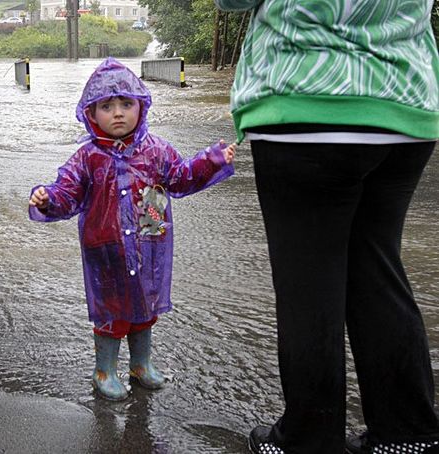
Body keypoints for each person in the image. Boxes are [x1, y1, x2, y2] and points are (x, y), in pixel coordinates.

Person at [213, 0, 439, 453]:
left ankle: (308, 440)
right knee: (378, 273)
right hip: (405, 105)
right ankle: (408, 432)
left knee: (308, 288)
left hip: (305, 103)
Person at [28, 57, 235, 401]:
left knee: (144, 306)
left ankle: (141, 364)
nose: (118, 113)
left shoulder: (157, 151)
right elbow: (67, 193)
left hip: (149, 244)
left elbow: (182, 178)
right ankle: (105, 370)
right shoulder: (87, 158)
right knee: (110, 311)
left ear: (141, 107)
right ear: (91, 114)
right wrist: (47, 198)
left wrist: (212, 159)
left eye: (127, 104)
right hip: (105, 250)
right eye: (107, 106)